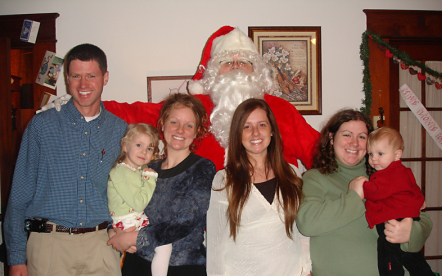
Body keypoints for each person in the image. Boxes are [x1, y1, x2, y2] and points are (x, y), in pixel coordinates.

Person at [41, 26, 319, 172]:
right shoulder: (194, 109)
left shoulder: (280, 110)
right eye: (227, 62)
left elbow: (319, 153)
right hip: (205, 229)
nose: (235, 67)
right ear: (212, 73)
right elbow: (140, 113)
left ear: (255, 70)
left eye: (243, 62)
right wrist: (81, 104)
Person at [4, 44, 127, 276]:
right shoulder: (42, 126)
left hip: (101, 245)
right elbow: (19, 195)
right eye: (76, 76)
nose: (83, 85)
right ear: (66, 78)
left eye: (91, 76)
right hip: (49, 247)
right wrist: (16, 257)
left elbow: (131, 189)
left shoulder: (121, 130)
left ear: (105, 77)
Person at [296, 109, 433, 276]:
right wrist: (354, 197)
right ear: (332, 139)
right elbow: (307, 222)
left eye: (362, 136)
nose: (355, 143)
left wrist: (411, 232)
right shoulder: (315, 178)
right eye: (347, 134)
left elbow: (423, 216)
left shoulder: (389, 174)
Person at [107, 93, 216, 276]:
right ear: (162, 124)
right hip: (138, 273)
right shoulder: (147, 168)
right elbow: (121, 202)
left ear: (197, 131)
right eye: (174, 122)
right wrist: (114, 230)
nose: (180, 130)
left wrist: (134, 239)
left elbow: (185, 223)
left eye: (189, 125)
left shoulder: (203, 168)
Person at [207, 98, 312, 276]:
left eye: (262, 125)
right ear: (238, 135)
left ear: (272, 130)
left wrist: (306, 275)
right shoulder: (224, 180)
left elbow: (301, 231)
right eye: (247, 126)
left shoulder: (293, 174)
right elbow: (215, 248)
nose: (255, 132)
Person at [356, 127, 441, 276]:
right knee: (404, 253)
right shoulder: (402, 171)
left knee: (387, 252)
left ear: (397, 155)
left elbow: (376, 193)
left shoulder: (390, 173)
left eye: (380, 153)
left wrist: (363, 186)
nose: (374, 159)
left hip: (393, 217)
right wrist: (419, 201)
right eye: (371, 154)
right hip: (400, 215)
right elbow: (414, 189)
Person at [107, 123, 181, 276]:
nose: (144, 151)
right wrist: (150, 178)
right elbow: (139, 202)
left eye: (149, 148)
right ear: (125, 145)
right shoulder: (121, 172)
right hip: (129, 219)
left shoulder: (135, 170)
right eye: (138, 145)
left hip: (133, 218)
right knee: (163, 245)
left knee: (164, 246)